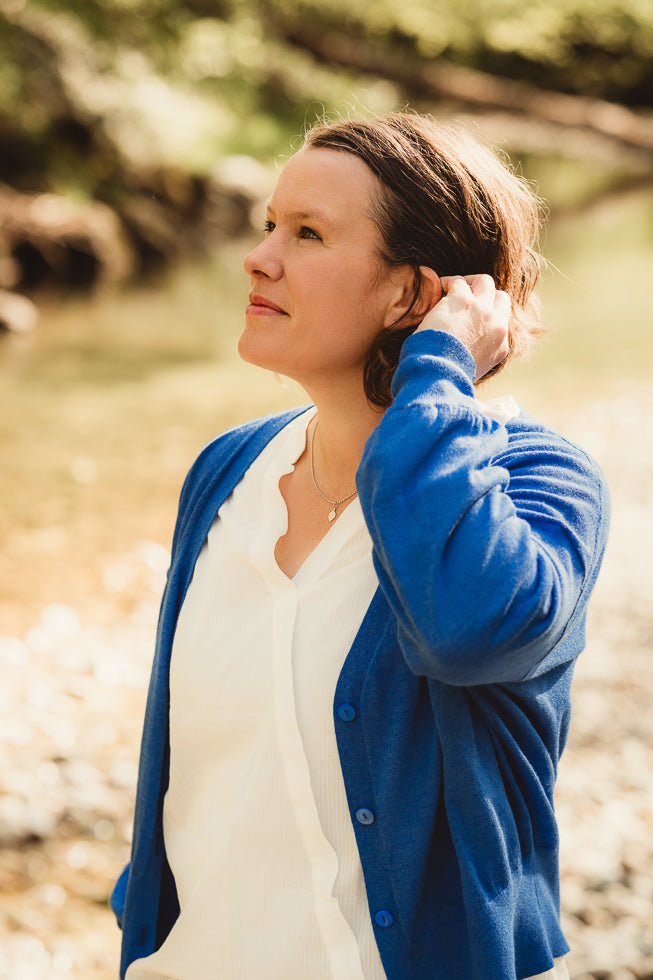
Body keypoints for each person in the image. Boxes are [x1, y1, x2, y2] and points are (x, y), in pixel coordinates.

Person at [111, 112, 609, 980]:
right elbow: (183, 786)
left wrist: (438, 373)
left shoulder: (539, 488)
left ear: (414, 297)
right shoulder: (226, 473)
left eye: (307, 233)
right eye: (270, 223)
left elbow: (463, 629)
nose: (259, 257)